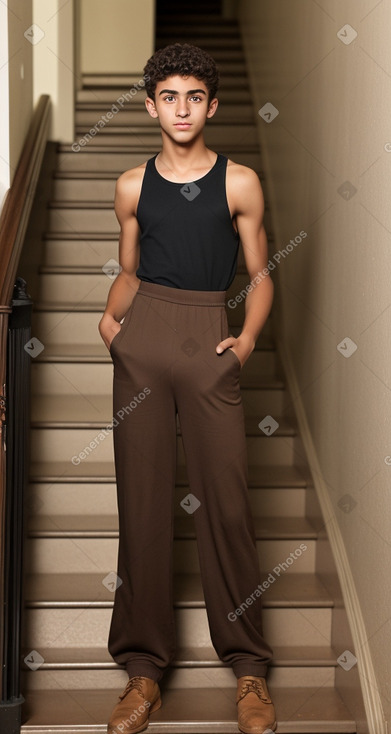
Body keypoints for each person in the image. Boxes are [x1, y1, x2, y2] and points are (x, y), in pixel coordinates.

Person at [98, 42, 277, 734]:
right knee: (141, 507)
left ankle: (249, 669)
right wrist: (111, 325)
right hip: (142, 344)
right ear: (150, 106)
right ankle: (143, 673)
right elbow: (129, 270)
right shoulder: (129, 185)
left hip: (208, 339)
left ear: (211, 105)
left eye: (194, 96)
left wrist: (248, 340)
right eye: (168, 96)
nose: (181, 108)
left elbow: (260, 275)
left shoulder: (240, 182)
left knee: (226, 505)